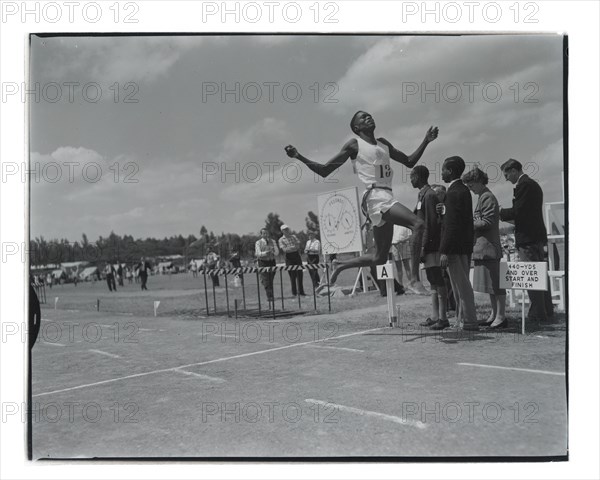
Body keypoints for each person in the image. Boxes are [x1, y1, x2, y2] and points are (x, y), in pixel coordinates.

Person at [285, 111, 438, 293]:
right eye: (363, 117)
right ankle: (413, 279)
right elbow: (325, 170)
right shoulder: (355, 145)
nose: (369, 117)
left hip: (386, 195)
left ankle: (340, 266)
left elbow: (409, 161)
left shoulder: (384, 144)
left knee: (379, 258)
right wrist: (298, 156)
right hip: (374, 196)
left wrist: (426, 141)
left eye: (369, 115)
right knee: (418, 224)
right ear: (357, 128)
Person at [499, 158, 553, 323]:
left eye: (507, 174)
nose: (506, 178)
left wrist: (500, 212)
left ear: (514, 170)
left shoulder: (524, 185)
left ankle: (537, 313)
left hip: (528, 238)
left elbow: (519, 211)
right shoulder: (532, 185)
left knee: (531, 276)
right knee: (540, 276)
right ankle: (545, 310)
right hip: (536, 236)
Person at [437, 156, 479, 331]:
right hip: (464, 245)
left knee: (460, 285)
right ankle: (462, 319)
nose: (441, 172)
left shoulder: (453, 193)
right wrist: (443, 212)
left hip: (454, 247)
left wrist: (444, 250)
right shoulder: (463, 191)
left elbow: (452, 225)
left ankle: (468, 320)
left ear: (450, 171)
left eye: (444, 169)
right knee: (460, 285)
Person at [463, 167, 507, 329]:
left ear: (479, 181)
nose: (470, 187)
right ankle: (494, 314)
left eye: (471, 184)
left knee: (496, 284)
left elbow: (487, 222)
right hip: (483, 248)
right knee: (491, 286)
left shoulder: (487, 197)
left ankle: (501, 316)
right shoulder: (483, 196)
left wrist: (467, 223)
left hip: (489, 248)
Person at [410, 165, 448, 329]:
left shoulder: (430, 195)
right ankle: (435, 315)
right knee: (432, 281)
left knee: (438, 280)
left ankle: (443, 317)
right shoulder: (422, 195)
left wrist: (424, 248)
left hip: (432, 246)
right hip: (426, 245)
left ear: (418, 176)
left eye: (412, 176)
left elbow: (432, 224)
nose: (410, 179)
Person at [278, 225, 306, 296]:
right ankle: (294, 293)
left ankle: (301, 292)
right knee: (292, 276)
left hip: (297, 256)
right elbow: (285, 250)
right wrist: (293, 247)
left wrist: (290, 248)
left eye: (287, 229)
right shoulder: (281, 240)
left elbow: (298, 246)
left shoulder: (294, 236)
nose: (287, 230)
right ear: (282, 231)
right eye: (285, 229)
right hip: (288, 258)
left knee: (300, 274)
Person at [255, 227, 279, 304]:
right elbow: (258, 253)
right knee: (266, 280)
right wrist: (265, 253)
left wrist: (273, 252)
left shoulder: (273, 241)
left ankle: (270, 294)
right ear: (261, 234)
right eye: (264, 233)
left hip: (272, 262)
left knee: (271, 279)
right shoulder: (258, 242)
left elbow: (277, 252)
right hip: (263, 262)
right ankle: (270, 297)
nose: (265, 234)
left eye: (267, 233)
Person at [390, 225, 412, 294]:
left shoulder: (405, 225)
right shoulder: (392, 225)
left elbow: (410, 236)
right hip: (394, 245)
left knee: (407, 266)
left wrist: (403, 240)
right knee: (398, 267)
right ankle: (400, 285)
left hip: (404, 245)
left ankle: (411, 284)